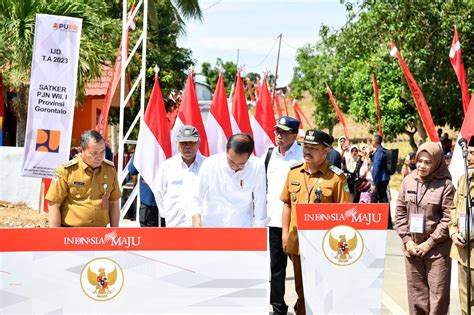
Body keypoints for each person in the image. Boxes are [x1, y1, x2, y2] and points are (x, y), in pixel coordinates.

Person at [281, 129, 351, 315]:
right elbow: (287, 205)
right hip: (298, 244)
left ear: (325, 151)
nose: (307, 151)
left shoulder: (337, 178)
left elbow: (345, 214)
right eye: (305, 146)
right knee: (302, 292)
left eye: (313, 148)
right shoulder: (294, 173)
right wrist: (285, 235)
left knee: (323, 292)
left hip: (324, 247)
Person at [395, 142, 454, 314]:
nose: (421, 165)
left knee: (438, 297)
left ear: (436, 162)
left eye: (427, 162)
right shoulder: (408, 181)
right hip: (412, 249)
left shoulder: (446, 185)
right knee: (416, 297)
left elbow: (448, 219)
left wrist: (429, 243)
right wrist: (407, 241)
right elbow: (399, 213)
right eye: (419, 160)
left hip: (437, 252)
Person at [190, 133, 269, 227]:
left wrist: (258, 230)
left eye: (240, 163)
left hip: (241, 226)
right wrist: (196, 217)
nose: (235, 165)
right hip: (211, 225)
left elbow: (260, 200)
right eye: (231, 161)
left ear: (249, 157)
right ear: (226, 151)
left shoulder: (257, 166)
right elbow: (196, 195)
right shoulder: (210, 163)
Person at [265, 116, 302, 315]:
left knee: (300, 269)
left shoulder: (303, 155)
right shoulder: (269, 155)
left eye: (284, 132)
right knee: (276, 270)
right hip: (273, 221)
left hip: (297, 223)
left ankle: (302, 305)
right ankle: (278, 308)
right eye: (277, 131)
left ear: (294, 135)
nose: (279, 135)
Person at [46, 130, 121, 227]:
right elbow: (54, 204)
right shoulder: (66, 171)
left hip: (100, 234)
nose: (99, 157)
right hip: (72, 234)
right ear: (81, 151)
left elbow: (113, 203)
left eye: (102, 151)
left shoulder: (109, 170)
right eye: (94, 153)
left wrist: (115, 232)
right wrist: (56, 237)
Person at [155, 125, 205, 227]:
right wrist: (167, 214)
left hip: (202, 226)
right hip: (175, 224)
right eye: (183, 143)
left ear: (199, 143)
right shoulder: (167, 166)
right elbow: (159, 193)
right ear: (177, 143)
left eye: (191, 142)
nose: (188, 146)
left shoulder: (208, 165)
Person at [449, 136, 474, 314]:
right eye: (468, 153)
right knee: (464, 301)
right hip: (462, 250)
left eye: (472, 153)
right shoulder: (463, 180)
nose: (468, 157)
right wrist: (453, 231)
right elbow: (453, 208)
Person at [128, 155, 165, 227]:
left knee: (148, 236)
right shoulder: (174, 144)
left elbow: (132, 169)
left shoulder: (144, 144)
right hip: (168, 201)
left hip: (149, 200)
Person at [370, 134, 393, 228]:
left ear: (375, 141)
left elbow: (376, 168)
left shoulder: (379, 152)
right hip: (382, 178)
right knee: (381, 199)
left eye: (372, 140)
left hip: (380, 179)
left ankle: (381, 222)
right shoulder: (379, 152)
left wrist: (374, 183)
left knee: (378, 200)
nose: (371, 142)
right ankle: (385, 222)